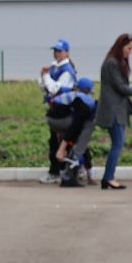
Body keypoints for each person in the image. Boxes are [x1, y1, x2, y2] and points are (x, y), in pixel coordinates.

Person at [96, 33, 132, 189]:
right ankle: (108, 177)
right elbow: (119, 86)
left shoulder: (115, 62)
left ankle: (108, 177)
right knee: (118, 143)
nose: (130, 52)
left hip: (117, 109)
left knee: (118, 143)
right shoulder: (112, 63)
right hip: (113, 110)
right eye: (128, 48)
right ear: (120, 46)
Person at [39, 38, 79, 181]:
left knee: (62, 141)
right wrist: (43, 76)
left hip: (64, 111)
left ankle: (59, 171)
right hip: (56, 109)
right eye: (55, 50)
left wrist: (45, 76)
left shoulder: (67, 71)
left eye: (59, 51)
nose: (56, 53)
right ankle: (60, 171)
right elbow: (44, 87)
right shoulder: (55, 67)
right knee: (56, 141)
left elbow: (54, 89)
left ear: (67, 53)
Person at [48, 75, 97, 186]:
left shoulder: (71, 94)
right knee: (78, 143)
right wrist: (62, 147)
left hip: (52, 118)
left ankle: (65, 172)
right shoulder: (85, 102)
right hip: (61, 119)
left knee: (72, 142)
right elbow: (75, 125)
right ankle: (73, 174)